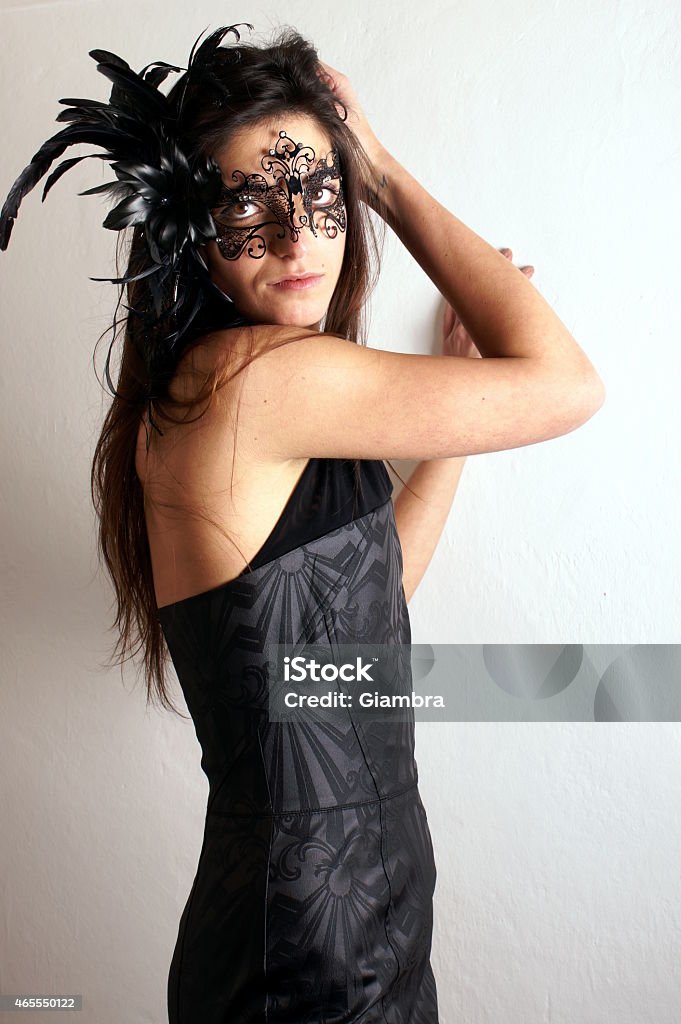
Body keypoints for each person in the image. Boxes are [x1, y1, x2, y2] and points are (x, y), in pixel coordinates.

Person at [0, 23, 605, 1024]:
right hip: (310, 961)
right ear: (191, 226)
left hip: (353, 928)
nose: (299, 236)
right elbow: (567, 384)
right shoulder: (256, 382)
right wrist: (380, 170)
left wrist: (451, 411)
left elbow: (354, 623)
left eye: (323, 196)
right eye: (249, 201)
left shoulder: (227, 387)